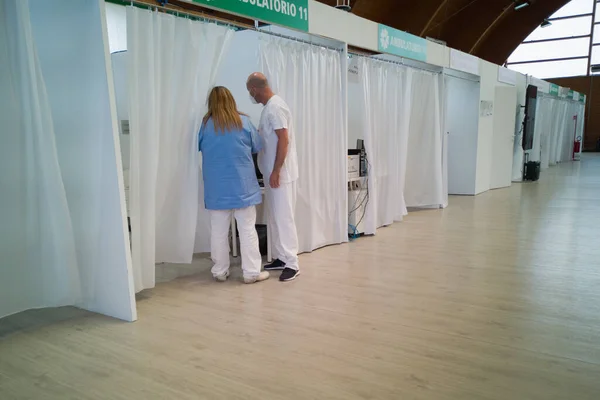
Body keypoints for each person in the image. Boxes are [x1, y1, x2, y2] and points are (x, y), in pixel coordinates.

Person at [198, 86, 269, 284]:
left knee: (219, 232)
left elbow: (197, 147)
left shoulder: (205, 125)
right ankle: (251, 273)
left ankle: (219, 271)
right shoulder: (244, 121)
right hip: (242, 186)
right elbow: (257, 146)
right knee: (247, 230)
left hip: (216, 189)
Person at [246, 72, 300, 282]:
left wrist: (277, 170)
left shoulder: (275, 108)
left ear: (254, 89)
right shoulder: (269, 107)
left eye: (250, 92)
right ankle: (281, 257)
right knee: (275, 217)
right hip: (273, 174)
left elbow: (283, 140)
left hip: (281, 174)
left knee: (284, 218)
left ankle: (293, 263)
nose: (251, 96)